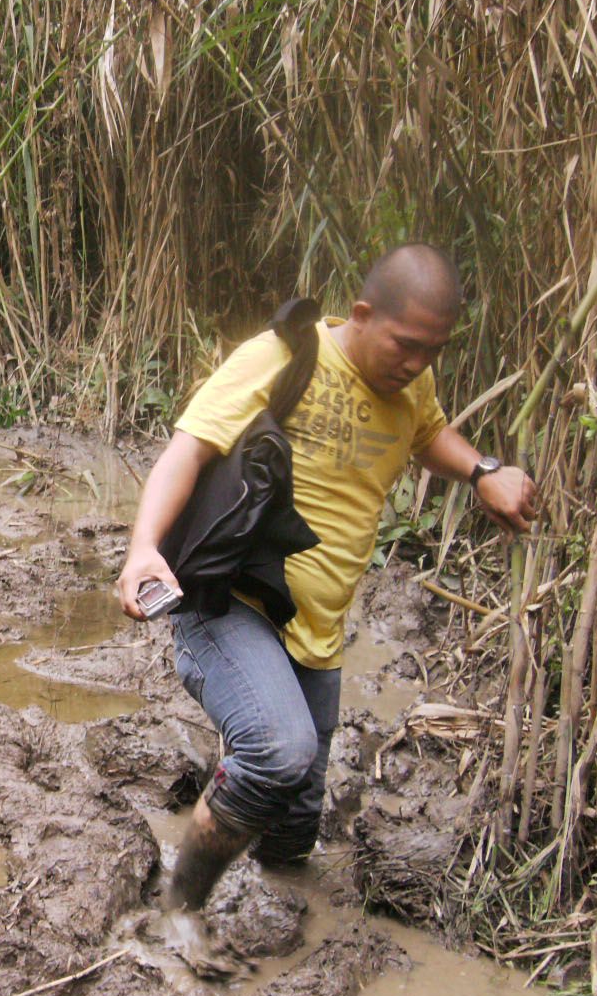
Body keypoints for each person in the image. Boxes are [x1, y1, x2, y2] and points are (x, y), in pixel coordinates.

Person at [118, 244, 537, 924]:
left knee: (291, 833)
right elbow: (186, 450)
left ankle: (257, 882)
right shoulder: (285, 356)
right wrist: (142, 551)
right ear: (363, 315)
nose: (416, 365)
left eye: (433, 352)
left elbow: (427, 432)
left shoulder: (412, 385)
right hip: (232, 603)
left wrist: (482, 470)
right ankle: (177, 913)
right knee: (277, 752)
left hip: (316, 632)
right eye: (405, 346)